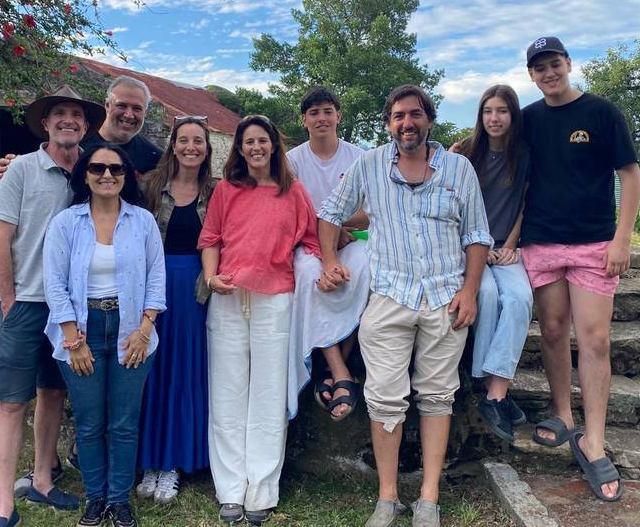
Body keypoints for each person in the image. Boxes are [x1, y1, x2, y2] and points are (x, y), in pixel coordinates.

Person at [318, 85, 492, 527]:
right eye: (398, 116)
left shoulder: (458, 168)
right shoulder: (370, 164)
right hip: (389, 298)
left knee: (437, 396)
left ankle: (428, 498)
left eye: (414, 114)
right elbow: (330, 212)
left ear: (428, 118)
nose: (406, 123)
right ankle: (388, 497)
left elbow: (476, 235)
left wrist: (470, 291)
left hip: (444, 297)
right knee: (384, 400)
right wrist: (331, 258)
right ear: (388, 122)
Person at [521, 36, 640, 502]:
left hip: (594, 241)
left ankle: (594, 438)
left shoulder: (601, 112)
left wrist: (622, 239)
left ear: (568, 64)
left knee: (594, 338)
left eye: (554, 64)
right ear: (531, 75)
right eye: (539, 68)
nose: (548, 73)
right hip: (542, 241)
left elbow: (630, 177)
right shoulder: (528, 120)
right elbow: (496, 150)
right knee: (552, 330)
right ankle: (563, 415)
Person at [0, 86, 105, 527]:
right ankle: (3, 505)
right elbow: (1, 236)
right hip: (26, 300)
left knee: (53, 393)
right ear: (46, 123)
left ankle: (42, 479)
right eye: (60, 114)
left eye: (76, 114)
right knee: (12, 401)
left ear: (86, 125)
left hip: (69, 309)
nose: (68, 120)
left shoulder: (88, 173)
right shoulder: (21, 171)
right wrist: (10, 299)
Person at [198, 115, 321, 526]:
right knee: (228, 395)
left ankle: (262, 491)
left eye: (261, 141)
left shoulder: (294, 192)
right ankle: (229, 490)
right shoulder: (226, 190)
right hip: (229, 297)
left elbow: (312, 242)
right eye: (248, 141)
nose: (255, 148)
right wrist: (213, 277)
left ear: (273, 146)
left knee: (268, 396)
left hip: (275, 300)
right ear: (239, 148)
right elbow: (211, 239)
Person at [43, 144, 165, 527]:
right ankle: (95, 499)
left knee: (125, 422)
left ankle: (119, 500)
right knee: (90, 422)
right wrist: (72, 340)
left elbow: (155, 278)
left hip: (132, 331)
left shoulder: (143, 221)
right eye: (98, 167)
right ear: (85, 174)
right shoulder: (66, 223)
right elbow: (55, 283)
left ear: (126, 176)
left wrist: (145, 329)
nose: (107, 174)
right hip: (83, 329)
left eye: (115, 168)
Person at [135, 116, 218, 504]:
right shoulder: (150, 185)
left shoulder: (216, 191)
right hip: (152, 286)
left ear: (207, 147)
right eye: (183, 140)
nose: (190, 147)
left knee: (185, 371)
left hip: (194, 291)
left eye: (197, 141)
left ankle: (174, 464)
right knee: (153, 371)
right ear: (173, 145)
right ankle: (151, 459)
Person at [452, 85, 533, 442]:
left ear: (513, 116)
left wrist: (512, 244)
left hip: (505, 250)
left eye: (502, 111)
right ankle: (493, 386)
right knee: (485, 295)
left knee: (519, 298)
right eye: (488, 111)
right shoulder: (466, 154)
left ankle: (494, 392)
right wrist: (481, 249)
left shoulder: (525, 155)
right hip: (470, 249)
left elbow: (522, 205)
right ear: (480, 116)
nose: (494, 118)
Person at [285, 87, 370, 421]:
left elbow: (369, 210)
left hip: (349, 241)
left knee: (364, 268)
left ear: (339, 116)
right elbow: (291, 212)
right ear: (304, 120)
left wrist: (337, 230)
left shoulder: (359, 157)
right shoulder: (292, 161)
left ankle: (334, 366)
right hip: (309, 244)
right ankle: (339, 370)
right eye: (314, 112)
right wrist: (325, 238)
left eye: (327, 111)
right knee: (307, 276)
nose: (321, 118)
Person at [0, 73, 162, 178]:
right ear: (107, 106)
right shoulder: (73, 142)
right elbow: (41, 168)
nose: (129, 114)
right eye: (122, 105)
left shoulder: (154, 157)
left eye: (137, 108)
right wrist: (16, 168)